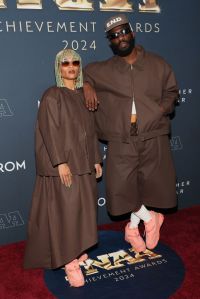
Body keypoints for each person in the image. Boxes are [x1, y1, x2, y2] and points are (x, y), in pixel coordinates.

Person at [83, 14, 178, 253]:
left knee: (152, 187)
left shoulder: (158, 64)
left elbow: (171, 91)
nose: (120, 37)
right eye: (114, 36)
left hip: (153, 134)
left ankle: (132, 229)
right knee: (120, 189)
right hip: (121, 139)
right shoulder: (102, 69)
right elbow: (81, 75)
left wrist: (159, 111)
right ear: (110, 42)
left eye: (124, 32)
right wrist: (85, 85)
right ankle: (149, 219)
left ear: (132, 33)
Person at [24, 49, 102, 288]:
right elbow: (49, 130)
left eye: (75, 62)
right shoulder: (52, 95)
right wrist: (60, 162)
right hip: (65, 165)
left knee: (82, 211)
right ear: (58, 67)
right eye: (65, 63)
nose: (70, 66)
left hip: (84, 164)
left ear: (79, 67)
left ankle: (77, 251)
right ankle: (69, 261)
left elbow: (90, 131)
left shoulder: (82, 95)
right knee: (67, 214)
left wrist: (97, 159)